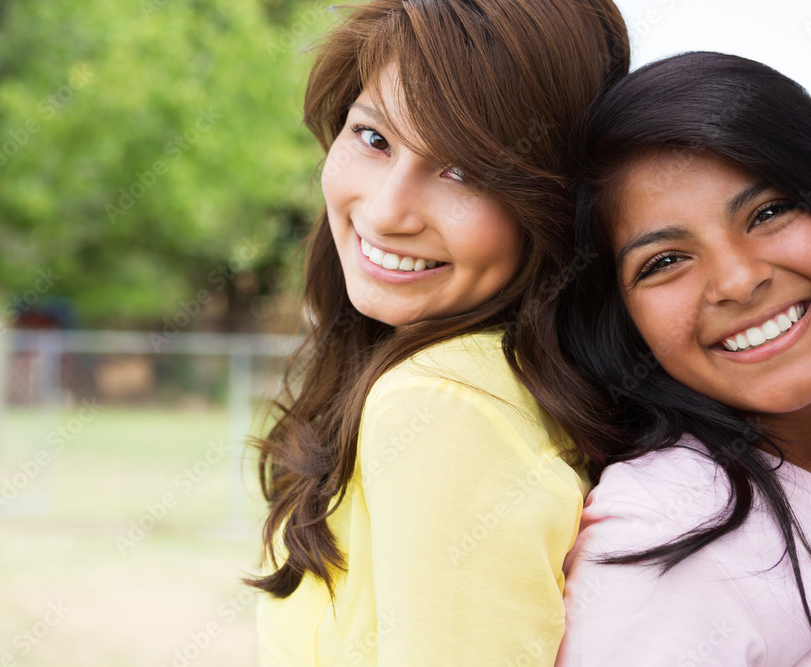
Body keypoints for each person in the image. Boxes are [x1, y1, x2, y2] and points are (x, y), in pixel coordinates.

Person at [247, 1, 630, 664]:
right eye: (373, 138)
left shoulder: (442, 405)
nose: (389, 210)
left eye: (466, 170)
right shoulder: (491, 380)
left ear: (555, 204)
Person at [555, 52, 811, 666]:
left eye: (769, 212)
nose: (738, 280)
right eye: (664, 261)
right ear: (621, 322)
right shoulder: (662, 534)